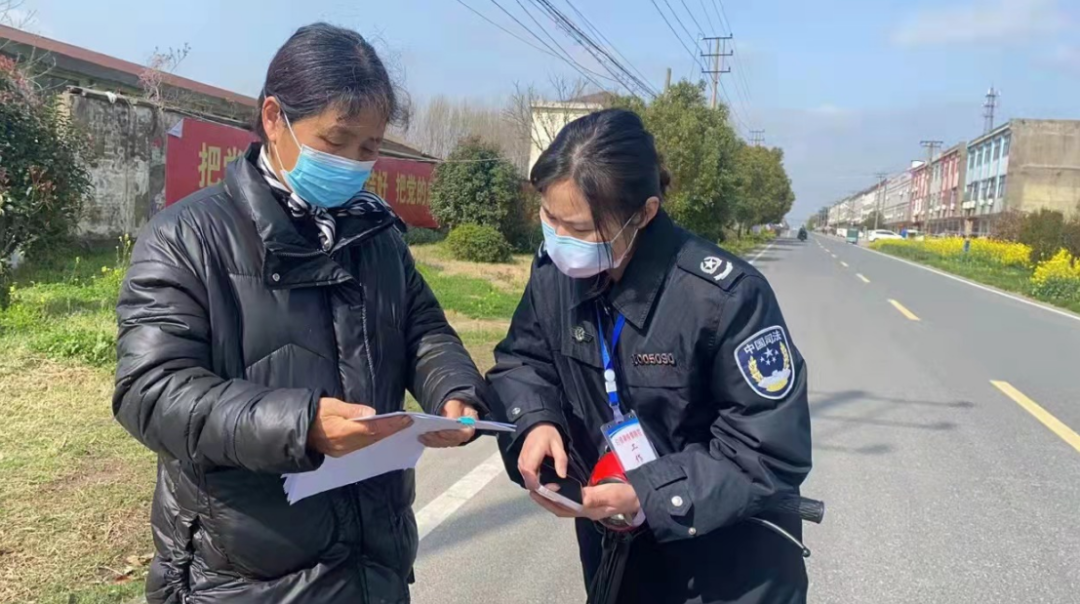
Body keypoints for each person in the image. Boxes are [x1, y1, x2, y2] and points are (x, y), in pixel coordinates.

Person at [113, 23, 488, 604]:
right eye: (336, 142)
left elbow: (422, 328)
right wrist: (299, 424)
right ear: (272, 118)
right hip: (242, 574)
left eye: (369, 148)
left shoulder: (377, 235)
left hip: (374, 561)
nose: (354, 163)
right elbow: (151, 390)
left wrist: (452, 390)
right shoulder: (186, 237)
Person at [487, 109, 812, 604]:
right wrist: (535, 422)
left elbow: (767, 452)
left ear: (644, 213)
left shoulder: (725, 297)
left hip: (730, 565)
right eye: (549, 218)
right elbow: (523, 361)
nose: (558, 240)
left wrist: (648, 492)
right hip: (619, 555)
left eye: (577, 227)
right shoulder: (553, 275)